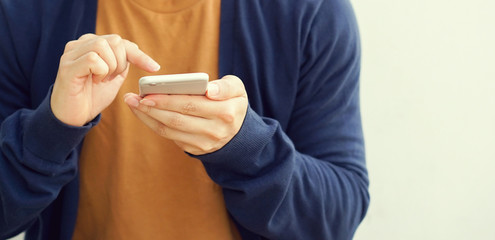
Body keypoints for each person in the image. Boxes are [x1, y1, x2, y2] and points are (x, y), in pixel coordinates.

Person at [0, 0, 369, 239]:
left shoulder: (311, 12)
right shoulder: (25, 13)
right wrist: (53, 126)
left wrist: (246, 148)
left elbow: (339, 216)